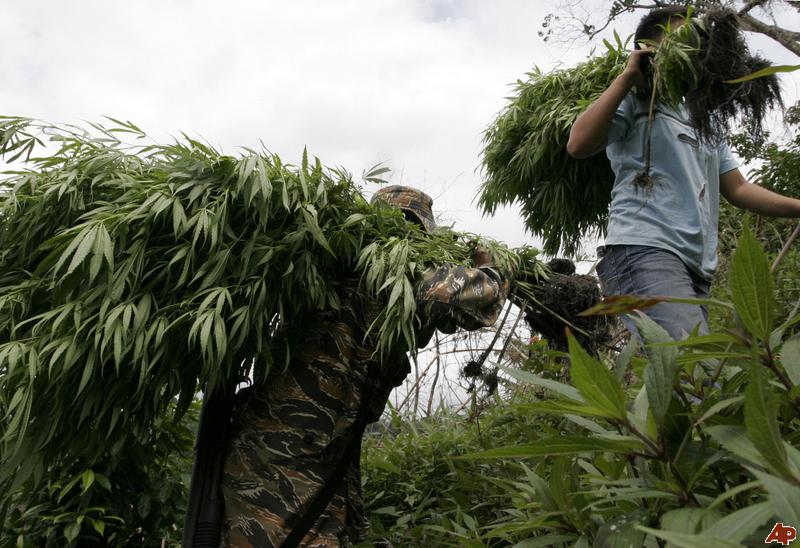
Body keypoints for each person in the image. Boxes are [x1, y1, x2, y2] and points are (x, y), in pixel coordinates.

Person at [220, 185, 508, 546]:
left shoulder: (337, 268)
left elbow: (444, 317)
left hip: (311, 451)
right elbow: (479, 295)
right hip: (283, 459)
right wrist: (489, 267)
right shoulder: (390, 270)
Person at [566, 6, 800, 340]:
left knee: (682, 380)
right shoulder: (640, 98)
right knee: (698, 373)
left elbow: (739, 188)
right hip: (645, 250)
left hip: (696, 268)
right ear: (651, 49)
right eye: (682, 38)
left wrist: (797, 206)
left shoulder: (708, 119)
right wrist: (628, 77)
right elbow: (578, 143)